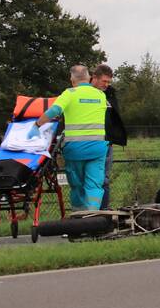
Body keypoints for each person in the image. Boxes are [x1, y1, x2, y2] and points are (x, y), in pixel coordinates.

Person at [29, 65, 108, 211]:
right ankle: (92, 217)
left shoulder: (69, 93)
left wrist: (37, 125)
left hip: (75, 149)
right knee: (95, 185)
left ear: (72, 79)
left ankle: (77, 219)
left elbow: (54, 111)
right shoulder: (101, 96)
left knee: (77, 185)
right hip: (97, 148)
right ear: (89, 77)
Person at [90, 63, 127, 209]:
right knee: (86, 179)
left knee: (104, 179)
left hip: (106, 143)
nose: (106, 84)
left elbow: (114, 116)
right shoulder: (83, 93)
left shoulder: (110, 93)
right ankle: (86, 212)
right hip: (87, 142)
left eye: (108, 82)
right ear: (94, 78)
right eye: (104, 81)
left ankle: (103, 211)